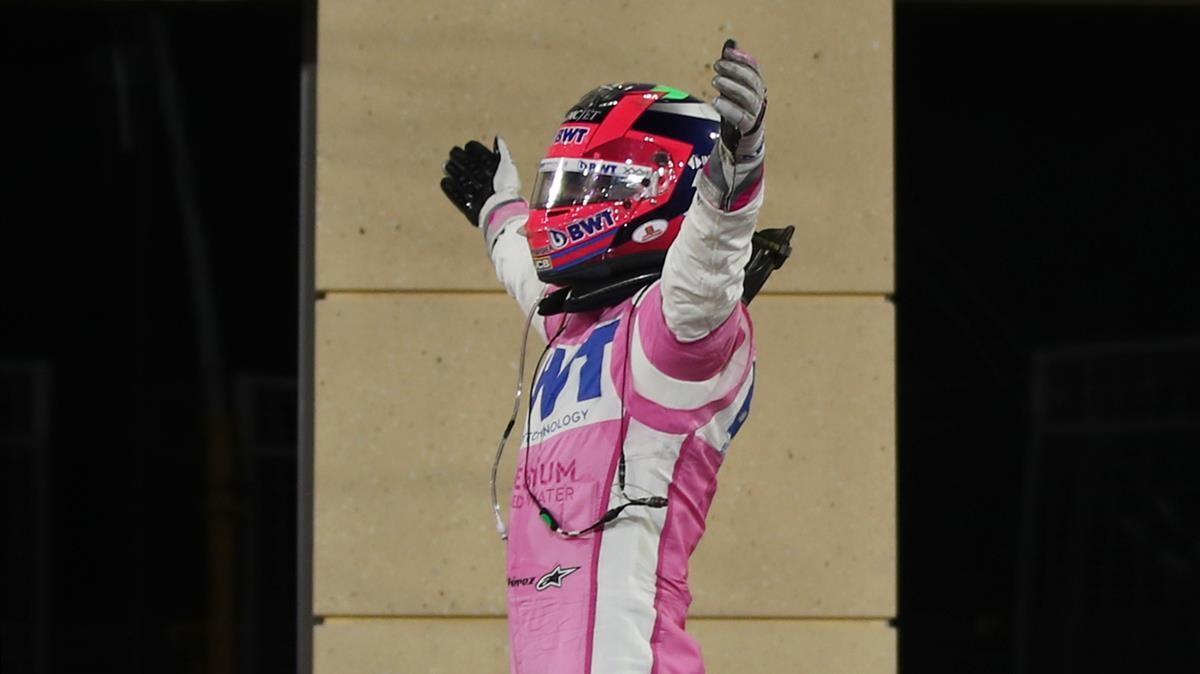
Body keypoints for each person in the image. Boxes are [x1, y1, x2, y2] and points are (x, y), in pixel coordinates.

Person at [440, 39, 774, 674]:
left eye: (593, 183)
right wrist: (497, 209)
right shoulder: (577, 321)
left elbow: (711, 261)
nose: (567, 204)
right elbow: (527, 272)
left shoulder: (675, 334)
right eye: (568, 183)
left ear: (658, 190)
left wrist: (738, 168)